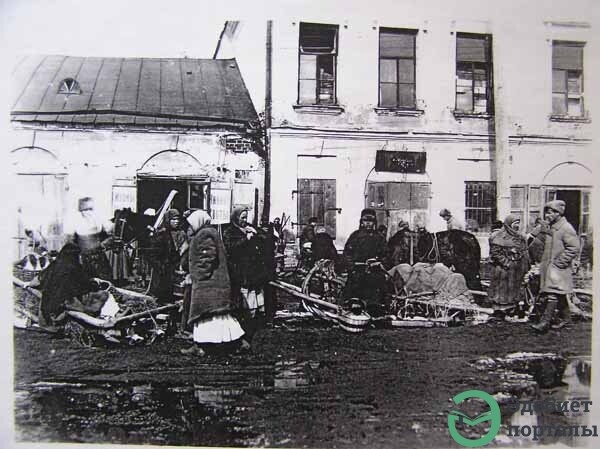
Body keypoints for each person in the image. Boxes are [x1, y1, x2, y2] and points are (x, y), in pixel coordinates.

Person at [180, 210, 249, 356]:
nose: (189, 228)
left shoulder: (204, 235)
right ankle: (237, 343)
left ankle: (201, 347)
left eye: (191, 225)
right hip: (212, 284)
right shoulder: (209, 233)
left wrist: (196, 275)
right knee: (217, 316)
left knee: (206, 314)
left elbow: (207, 259)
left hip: (209, 284)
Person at [531, 200, 580, 333]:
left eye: (551, 212)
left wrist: (560, 262)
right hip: (551, 267)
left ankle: (544, 323)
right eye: (547, 212)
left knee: (553, 292)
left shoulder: (566, 228)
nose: (547, 215)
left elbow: (574, 247)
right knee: (559, 292)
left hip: (558, 268)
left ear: (559, 213)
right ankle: (566, 319)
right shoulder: (554, 227)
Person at [35, 243, 108, 331]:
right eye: (78, 255)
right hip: (65, 301)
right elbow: (80, 287)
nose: (80, 257)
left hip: (49, 301)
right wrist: (94, 284)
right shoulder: (73, 268)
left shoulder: (54, 265)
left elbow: (41, 279)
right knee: (103, 295)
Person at [223, 208, 271, 336]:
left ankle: (256, 315)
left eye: (246, 217)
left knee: (256, 291)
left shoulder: (249, 228)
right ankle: (245, 316)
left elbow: (266, 238)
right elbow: (231, 247)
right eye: (242, 218)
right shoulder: (230, 231)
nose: (245, 220)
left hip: (253, 269)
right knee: (244, 292)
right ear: (235, 218)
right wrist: (246, 239)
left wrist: (256, 233)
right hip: (240, 268)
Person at [342, 208, 389, 315]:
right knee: (355, 287)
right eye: (365, 221)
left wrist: (380, 263)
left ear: (374, 222)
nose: (368, 224)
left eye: (371, 221)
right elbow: (347, 253)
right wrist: (352, 266)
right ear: (362, 222)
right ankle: (354, 308)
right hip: (358, 270)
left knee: (378, 286)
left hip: (375, 270)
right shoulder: (355, 236)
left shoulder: (379, 237)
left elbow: (386, 254)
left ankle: (376, 309)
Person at [487, 215, 530, 312]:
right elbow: (495, 253)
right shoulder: (499, 236)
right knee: (502, 290)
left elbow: (525, 250)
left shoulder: (520, 236)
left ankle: (512, 308)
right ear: (509, 224)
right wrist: (507, 263)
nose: (517, 225)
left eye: (518, 223)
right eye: (515, 223)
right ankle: (500, 310)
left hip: (516, 269)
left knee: (514, 289)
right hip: (503, 269)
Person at [64, 197, 113, 280]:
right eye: (84, 210)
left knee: (103, 280)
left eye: (90, 209)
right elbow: (70, 242)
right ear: (80, 210)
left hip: (99, 257)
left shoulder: (99, 221)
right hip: (82, 258)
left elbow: (111, 236)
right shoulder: (75, 223)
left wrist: (103, 245)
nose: (87, 212)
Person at [149, 209, 187, 304]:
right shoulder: (161, 235)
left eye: (177, 219)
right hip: (164, 272)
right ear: (168, 220)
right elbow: (152, 255)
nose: (176, 221)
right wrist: (161, 267)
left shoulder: (182, 234)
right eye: (173, 219)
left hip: (177, 271)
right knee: (163, 298)